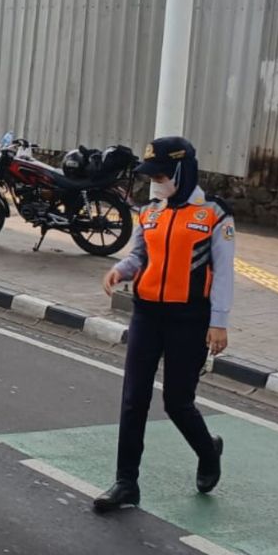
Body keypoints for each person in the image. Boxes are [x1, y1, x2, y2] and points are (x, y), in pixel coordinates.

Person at [94, 136, 235, 514]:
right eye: (151, 175)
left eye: (160, 174)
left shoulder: (214, 214)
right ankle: (126, 482)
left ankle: (208, 451)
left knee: (177, 400)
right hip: (146, 314)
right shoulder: (150, 212)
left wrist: (218, 323)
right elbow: (140, 254)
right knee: (133, 397)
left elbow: (222, 273)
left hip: (190, 319)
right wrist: (121, 269)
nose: (155, 182)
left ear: (181, 171)